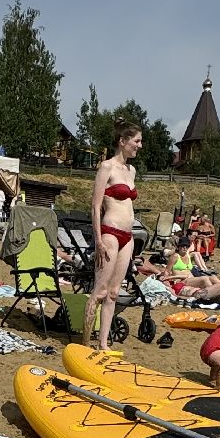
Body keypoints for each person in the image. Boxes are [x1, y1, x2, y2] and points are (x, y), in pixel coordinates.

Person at [86, 120, 143, 350]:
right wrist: (98, 240)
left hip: (127, 236)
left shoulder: (132, 170)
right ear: (123, 141)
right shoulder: (106, 167)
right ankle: (84, 341)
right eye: (136, 141)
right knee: (99, 291)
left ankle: (103, 343)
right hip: (109, 232)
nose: (140, 145)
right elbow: (95, 206)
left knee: (113, 292)